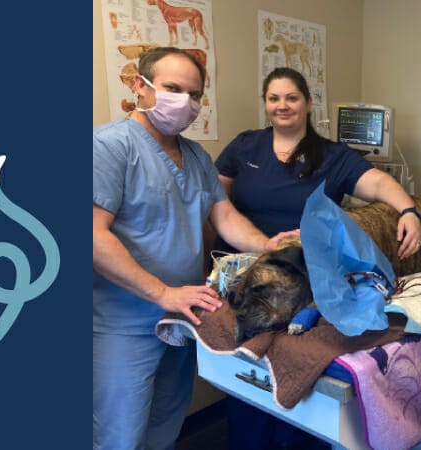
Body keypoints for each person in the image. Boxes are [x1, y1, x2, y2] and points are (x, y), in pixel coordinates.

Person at [93, 47, 298, 450]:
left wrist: (266, 244)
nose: (184, 102)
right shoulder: (110, 146)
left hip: (184, 315)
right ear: (140, 85)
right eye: (172, 89)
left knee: (165, 424)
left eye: (194, 94)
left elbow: (223, 215)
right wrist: (162, 292)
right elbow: (93, 235)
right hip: (125, 322)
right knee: (120, 434)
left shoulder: (195, 155)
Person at [213, 66, 421, 449]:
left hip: (306, 278)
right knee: (247, 386)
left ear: (308, 103)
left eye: (291, 98)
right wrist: (255, 244)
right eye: (274, 98)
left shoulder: (331, 156)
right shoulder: (245, 146)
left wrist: (409, 210)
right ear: (265, 103)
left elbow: (376, 183)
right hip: (246, 272)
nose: (282, 106)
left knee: (300, 384)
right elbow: (216, 201)